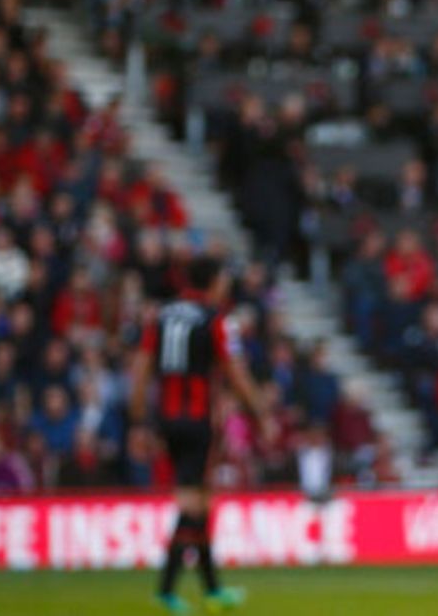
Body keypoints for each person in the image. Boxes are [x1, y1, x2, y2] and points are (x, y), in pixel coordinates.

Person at [128, 257, 275, 614]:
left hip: (167, 418)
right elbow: (236, 373)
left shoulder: (161, 316)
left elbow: (141, 368)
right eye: (224, 277)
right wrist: (262, 414)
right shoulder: (217, 319)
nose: (226, 284)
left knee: (203, 503)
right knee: (193, 504)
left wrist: (137, 422)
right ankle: (165, 591)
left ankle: (211, 591)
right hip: (198, 421)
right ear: (213, 282)